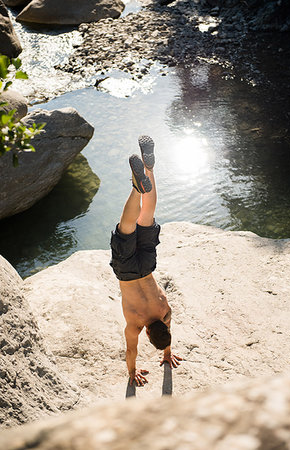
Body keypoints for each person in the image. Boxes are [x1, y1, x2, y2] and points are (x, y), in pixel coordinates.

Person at [110, 135, 182, 386]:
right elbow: (132, 352)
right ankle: (135, 188)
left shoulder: (165, 312)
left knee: (147, 215)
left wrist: (168, 350)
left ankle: (149, 168)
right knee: (126, 227)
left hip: (148, 265)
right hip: (128, 272)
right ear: (148, 333)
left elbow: (167, 331)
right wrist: (132, 373)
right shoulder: (136, 324)